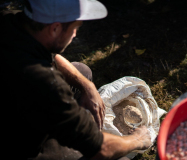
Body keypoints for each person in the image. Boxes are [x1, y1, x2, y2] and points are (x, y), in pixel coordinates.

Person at [0, 0, 152, 160]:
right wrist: (138, 139)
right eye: (75, 28)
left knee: (82, 73)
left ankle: (72, 126)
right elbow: (102, 149)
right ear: (55, 28)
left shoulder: (11, 20)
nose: (75, 34)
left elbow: (53, 57)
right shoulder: (45, 83)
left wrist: (88, 86)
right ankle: (67, 134)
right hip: (21, 146)